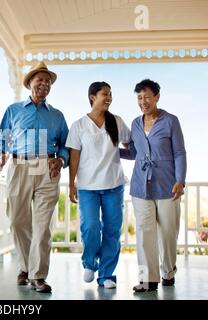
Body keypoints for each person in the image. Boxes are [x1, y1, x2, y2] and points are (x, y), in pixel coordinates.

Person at [0, 61, 69, 293]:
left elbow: (66, 145)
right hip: (20, 166)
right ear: (30, 83)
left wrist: (62, 159)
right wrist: (0, 152)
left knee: (42, 225)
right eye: (40, 79)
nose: (44, 84)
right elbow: (0, 137)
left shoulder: (56, 115)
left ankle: (38, 275)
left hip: (46, 167)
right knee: (17, 220)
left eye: (48, 81)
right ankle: (25, 267)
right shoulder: (13, 110)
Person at [120, 79, 187, 292]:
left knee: (168, 233)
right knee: (143, 232)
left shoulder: (170, 121)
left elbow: (179, 152)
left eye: (147, 96)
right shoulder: (135, 124)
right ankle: (147, 279)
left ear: (157, 96)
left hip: (168, 185)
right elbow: (133, 153)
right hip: (141, 186)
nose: (143, 101)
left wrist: (180, 180)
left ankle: (168, 272)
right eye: (139, 98)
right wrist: (109, 150)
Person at [66, 81, 130, 289]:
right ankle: (90, 262)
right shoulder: (79, 125)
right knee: (90, 227)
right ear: (93, 97)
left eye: (111, 94)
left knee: (112, 231)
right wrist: (71, 184)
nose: (109, 97)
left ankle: (106, 275)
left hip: (114, 185)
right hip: (88, 187)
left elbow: (130, 145)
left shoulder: (117, 122)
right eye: (105, 94)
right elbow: (74, 157)